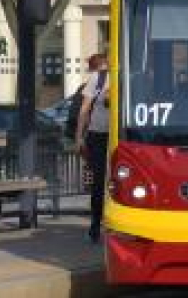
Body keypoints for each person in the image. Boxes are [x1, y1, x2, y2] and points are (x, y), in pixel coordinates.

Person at [75, 53, 109, 244]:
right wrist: (80, 136)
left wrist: (79, 137)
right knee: (99, 183)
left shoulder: (101, 77)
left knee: (103, 182)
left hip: (110, 136)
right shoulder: (99, 77)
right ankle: (96, 225)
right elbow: (85, 109)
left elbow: (84, 109)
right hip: (103, 136)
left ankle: (98, 226)